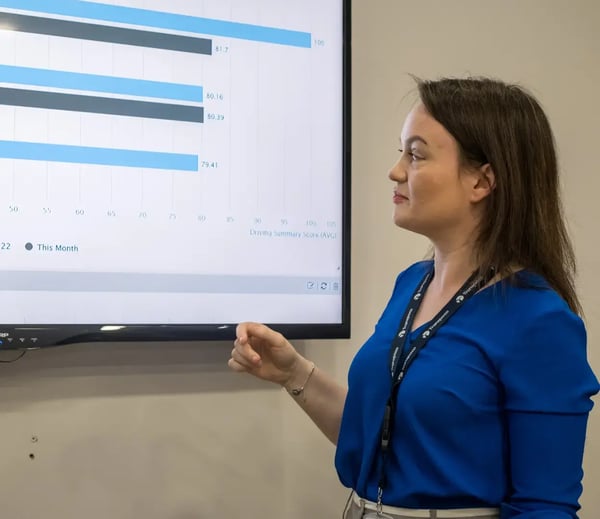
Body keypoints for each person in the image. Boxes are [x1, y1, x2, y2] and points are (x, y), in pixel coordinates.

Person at [228, 77, 600, 519]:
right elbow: (379, 434)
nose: (396, 170)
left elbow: (546, 507)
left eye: (416, 154)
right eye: (400, 151)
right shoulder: (412, 283)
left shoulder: (538, 320)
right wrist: (294, 372)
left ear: (482, 181)